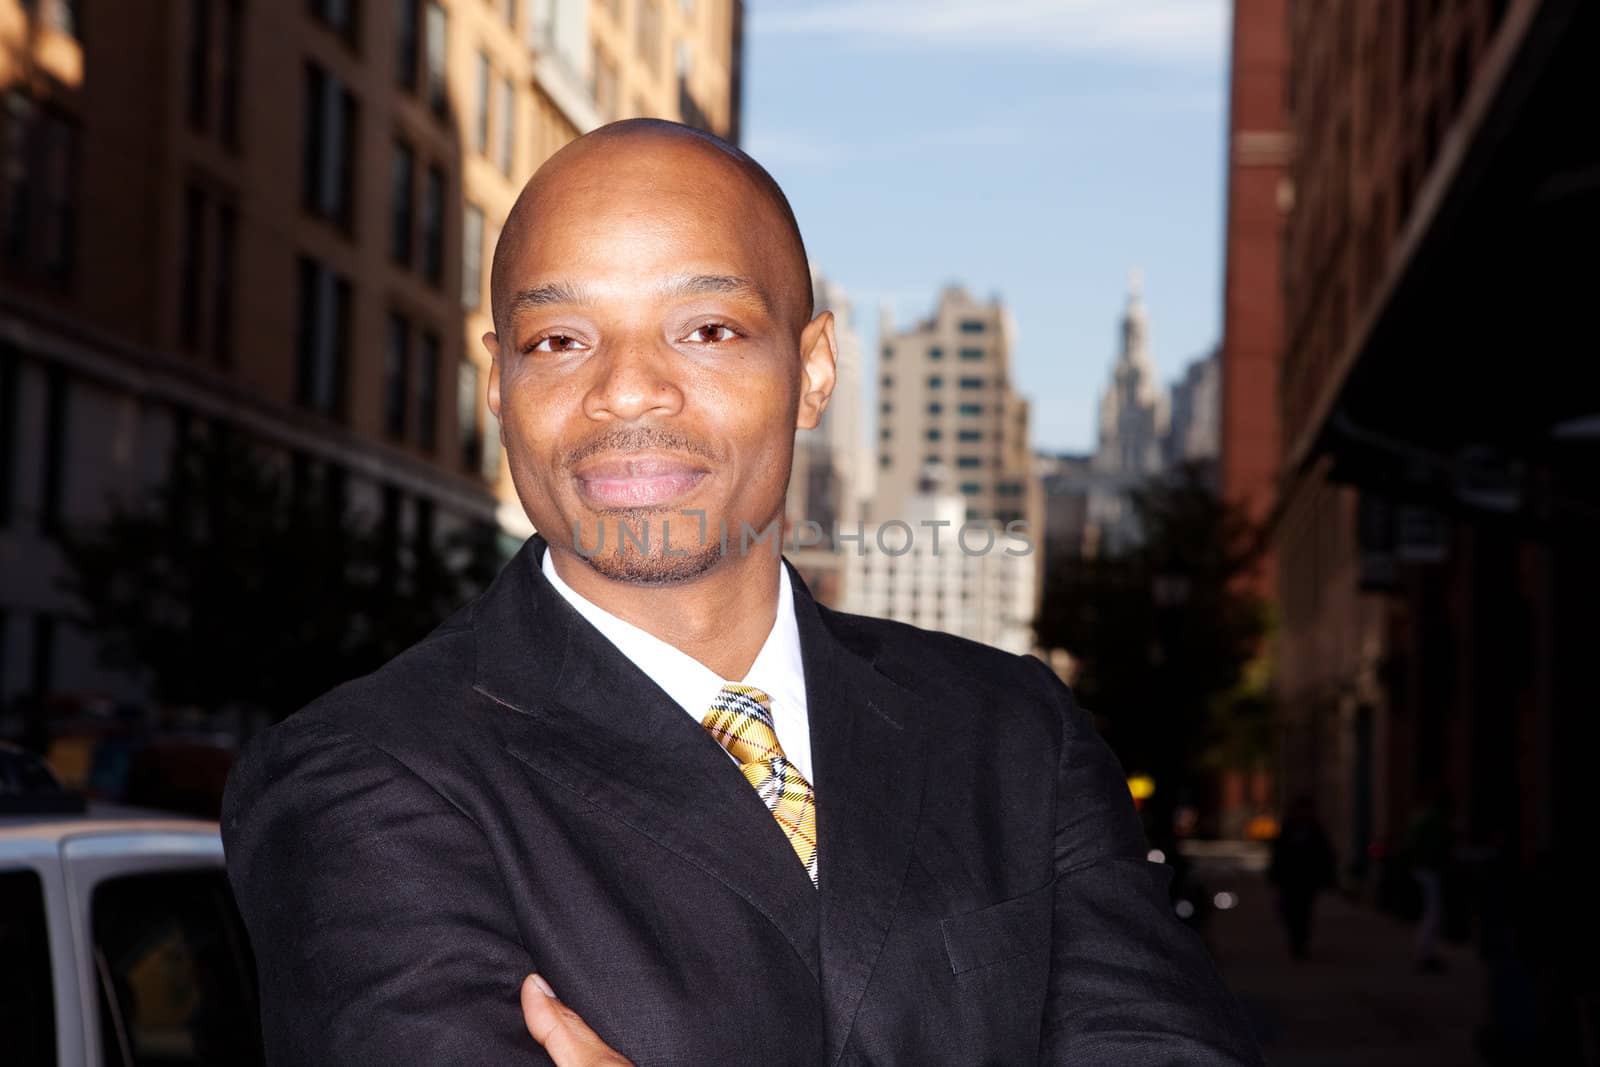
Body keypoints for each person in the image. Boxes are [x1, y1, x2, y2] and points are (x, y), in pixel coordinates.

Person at [222, 118, 1263, 1066]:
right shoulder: (359, 779)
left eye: (706, 329)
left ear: (812, 368)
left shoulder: (1016, 731)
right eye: (558, 340)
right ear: (498, 384)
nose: (627, 389)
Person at [1267, 795, 1336, 961]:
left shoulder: (1315, 829)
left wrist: (1326, 877)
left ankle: (1301, 944)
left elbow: (1325, 855)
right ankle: (1296, 942)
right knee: (1290, 912)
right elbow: (1278, 854)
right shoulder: (1288, 828)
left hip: (1308, 881)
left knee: (1304, 912)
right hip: (1290, 880)